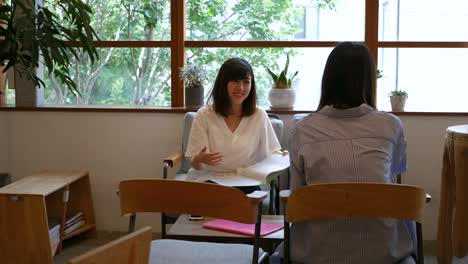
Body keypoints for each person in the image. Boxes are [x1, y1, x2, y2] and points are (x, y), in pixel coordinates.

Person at [271, 42, 414, 263]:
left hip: (315, 253)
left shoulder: (302, 130)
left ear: (327, 80)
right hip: (383, 253)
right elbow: (394, 178)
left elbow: (298, 194)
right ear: (369, 81)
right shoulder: (391, 125)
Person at [185, 57, 281, 192]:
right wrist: (200, 159)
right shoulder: (204, 115)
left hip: (246, 181)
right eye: (235, 81)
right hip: (209, 180)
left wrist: (280, 157)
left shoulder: (259, 115)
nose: (241, 87)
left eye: (246, 82)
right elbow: (196, 165)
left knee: (245, 201)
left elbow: (271, 155)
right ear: (223, 84)